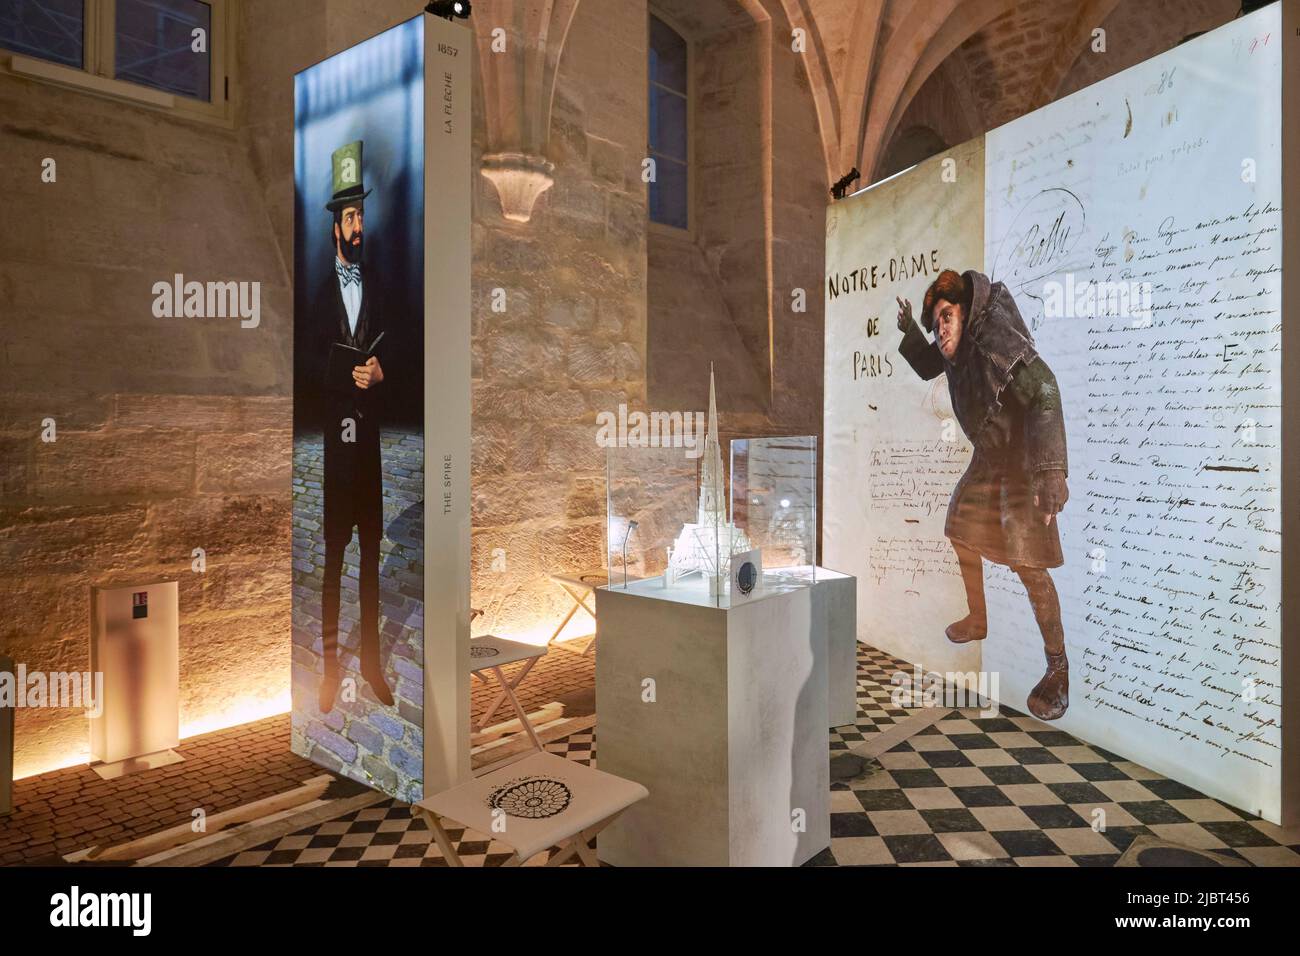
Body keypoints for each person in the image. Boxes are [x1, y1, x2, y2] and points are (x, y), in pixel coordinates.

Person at [895, 269, 1070, 720]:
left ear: (967, 313)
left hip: (1021, 461)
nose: (942, 330)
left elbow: (1046, 387)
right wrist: (911, 330)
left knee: (1029, 567)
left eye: (947, 317)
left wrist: (1050, 473)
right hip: (988, 459)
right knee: (960, 528)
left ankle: (1058, 668)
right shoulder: (958, 349)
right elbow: (934, 362)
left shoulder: (995, 344)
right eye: (936, 324)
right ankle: (979, 618)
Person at [307, 140, 393, 713]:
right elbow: (312, 368)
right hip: (339, 448)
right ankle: (330, 668)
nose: (357, 224)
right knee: (335, 555)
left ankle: (371, 664)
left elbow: (400, 353)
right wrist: (347, 380)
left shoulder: (378, 288)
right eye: (350, 216)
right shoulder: (317, 295)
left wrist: (383, 372)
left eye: (362, 214)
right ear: (335, 226)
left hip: (371, 449)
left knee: (369, 556)